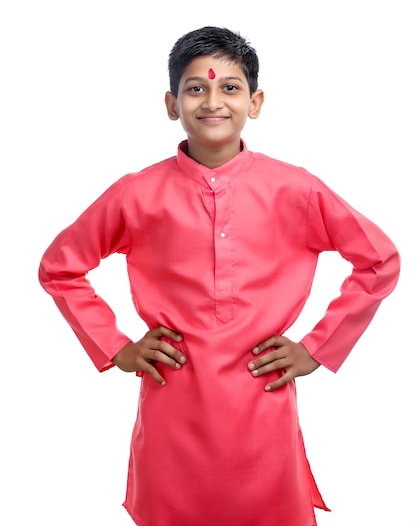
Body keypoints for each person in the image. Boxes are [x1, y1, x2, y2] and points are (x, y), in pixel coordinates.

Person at [38, 26, 400, 526]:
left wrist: (318, 346)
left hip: (261, 398)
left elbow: (380, 260)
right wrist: (116, 346)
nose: (213, 100)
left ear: (256, 102)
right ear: (171, 104)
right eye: (196, 88)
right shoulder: (136, 194)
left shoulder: (295, 190)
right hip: (173, 406)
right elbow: (60, 267)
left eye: (229, 87)